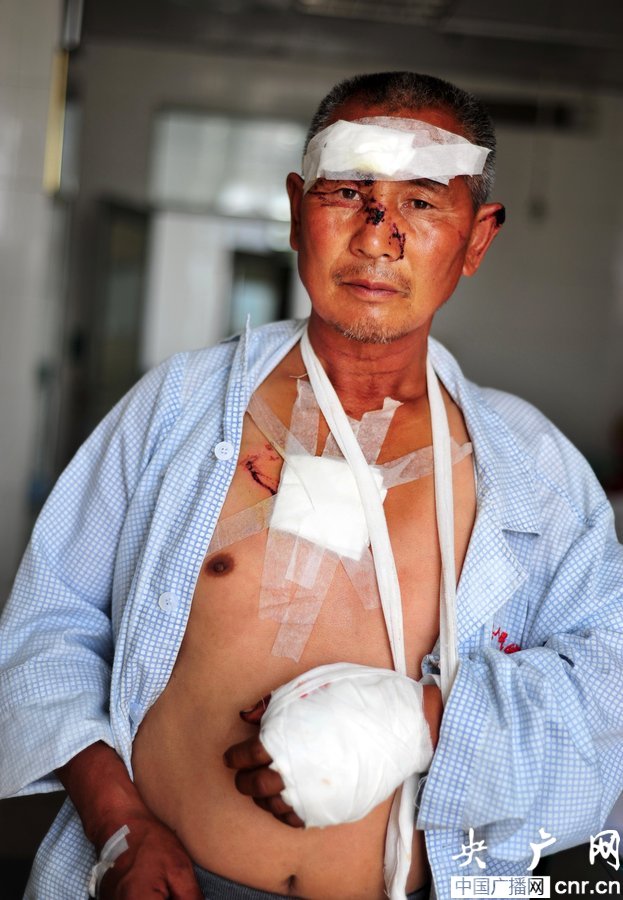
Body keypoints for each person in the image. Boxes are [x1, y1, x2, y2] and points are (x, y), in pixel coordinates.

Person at [1, 70, 622, 900]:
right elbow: (48, 629)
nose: (377, 238)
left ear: (476, 239)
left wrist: (420, 721)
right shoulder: (180, 410)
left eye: (420, 202)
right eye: (347, 193)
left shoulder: (530, 471)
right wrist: (121, 829)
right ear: (297, 210)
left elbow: (607, 688)